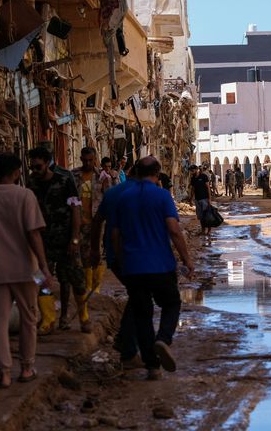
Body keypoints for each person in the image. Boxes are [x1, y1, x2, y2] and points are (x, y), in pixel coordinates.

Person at [0, 153, 53, 389]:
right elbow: (34, 234)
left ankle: (4, 373)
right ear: (17, 172)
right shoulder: (25, 195)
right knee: (29, 319)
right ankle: (26, 368)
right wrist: (45, 267)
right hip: (26, 270)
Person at [113, 156, 194, 380]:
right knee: (171, 303)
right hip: (160, 264)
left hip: (133, 266)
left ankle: (152, 366)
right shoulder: (161, 196)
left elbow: (116, 235)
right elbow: (174, 230)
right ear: (157, 174)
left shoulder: (123, 197)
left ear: (136, 173)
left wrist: (122, 261)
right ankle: (163, 338)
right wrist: (187, 259)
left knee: (142, 315)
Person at [28, 147, 90, 333]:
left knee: (76, 279)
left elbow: (75, 210)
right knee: (41, 280)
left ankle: (84, 317)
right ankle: (48, 319)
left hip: (66, 240)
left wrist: (75, 239)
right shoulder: (32, 183)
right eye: (32, 167)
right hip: (42, 242)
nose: (35, 171)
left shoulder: (65, 180)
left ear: (47, 164)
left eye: (38, 167)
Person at [91, 163, 140, 368]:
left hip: (114, 255)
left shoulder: (112, 193)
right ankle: (126, 345)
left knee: (138, 296)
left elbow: (97, 221)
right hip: (136, 255)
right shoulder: (141, 194)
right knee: (140, 297)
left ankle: (127, 344)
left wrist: (95, 250)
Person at [72, 147, 108, 299]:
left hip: (96, 222)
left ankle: (96, 286)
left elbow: (108, 198)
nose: (87, 163)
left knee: (97, 252)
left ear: (95, 160)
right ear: (81, 159)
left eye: (90, 160)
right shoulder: (74, 176)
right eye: (85, 160)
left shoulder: (102, 177)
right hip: (79, 221)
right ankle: (87, 285)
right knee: (82, 255)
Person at [188, 165, 211, 235]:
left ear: (196, 169)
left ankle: (209, 230)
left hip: (204, 199)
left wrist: (209, 199)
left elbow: (208, 188)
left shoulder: (204, 176)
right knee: (201, 216)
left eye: (192, 171)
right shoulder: (193, 178)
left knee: (206, 215)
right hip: (197, 199)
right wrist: (191, 199)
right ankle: (203, 230)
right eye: (191, 171)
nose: (191, 172)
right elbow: (192, 189)